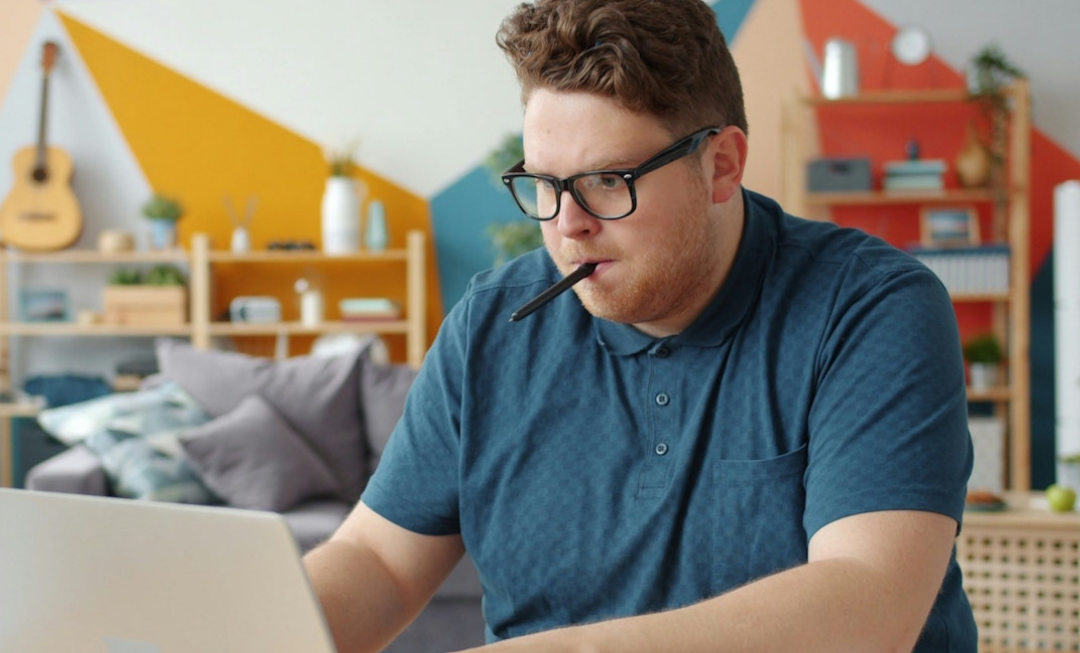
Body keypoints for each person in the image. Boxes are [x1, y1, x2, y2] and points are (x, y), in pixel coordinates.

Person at [303, 0, 977, 651]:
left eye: (606, 180)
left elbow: (868, 608)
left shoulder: (871, 308)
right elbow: (378, 561)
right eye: (545, 184)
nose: (567, 225)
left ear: (721, 165)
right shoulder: (488, 325)